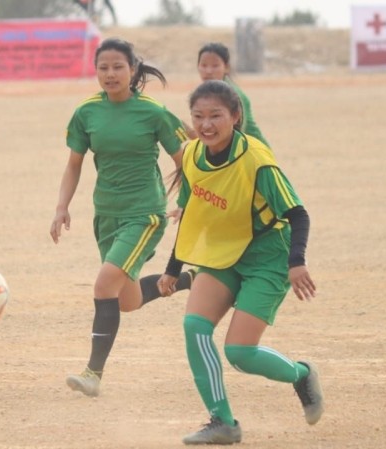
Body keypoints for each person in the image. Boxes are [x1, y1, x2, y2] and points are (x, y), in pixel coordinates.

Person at [157, 80, 324, 445]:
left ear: (235, 116)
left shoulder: (256, 159)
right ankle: (223, 422)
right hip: (221, 254)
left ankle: (300, 374)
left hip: (268, 255)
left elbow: (298, 215)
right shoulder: (191, 155)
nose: (206, 124)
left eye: (216, 115)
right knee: (194, 327)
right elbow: (193, 216)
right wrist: (173, 268)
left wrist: (297, 262)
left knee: (240, 352)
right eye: (198, 116)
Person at [50, 37, 193, 397]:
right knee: (126, 301)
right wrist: (61, 206)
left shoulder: (153, 112)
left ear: (132, 70)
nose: (110, 74)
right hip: (107, 215)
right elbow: (73, 165)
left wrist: (189, 202)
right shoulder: (86, 112)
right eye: (103, 67)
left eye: (118, 67)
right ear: (95, 70)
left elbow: (186, 161)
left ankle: (93, 373)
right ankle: (192, 278)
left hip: (144, 214)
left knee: (103, 285)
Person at [197, 43, 269, 147]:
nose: (208, 71)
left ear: (226, 67)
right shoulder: (206, 93)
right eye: (204, 65)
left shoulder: (232, 95)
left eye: (215, 66)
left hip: (252, 152)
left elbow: (235, 135)